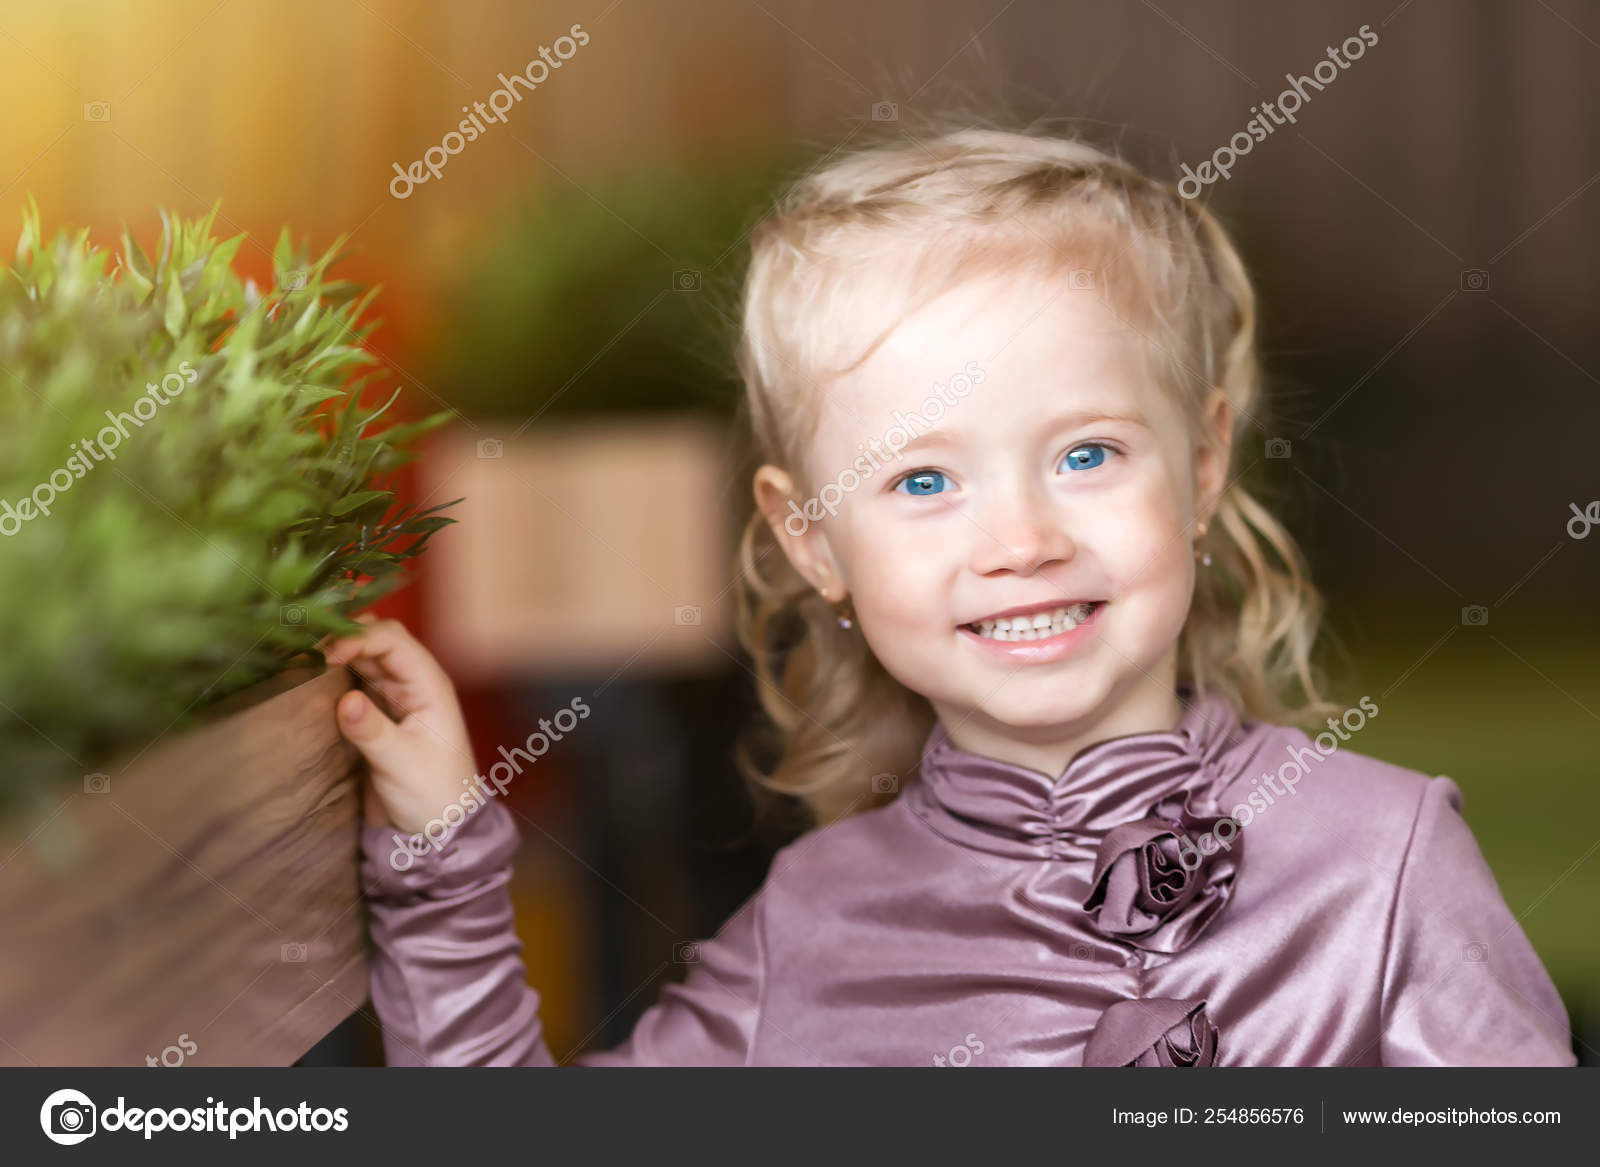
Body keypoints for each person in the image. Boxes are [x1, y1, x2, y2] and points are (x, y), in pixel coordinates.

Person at [322, 125, 1576, 1066]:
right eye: (922, 480)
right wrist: (438, 858)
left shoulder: (1386, 856)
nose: (1020, 539)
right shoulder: (808, 935)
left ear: (1200, 470)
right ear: (812, 540)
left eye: (1086, 455)